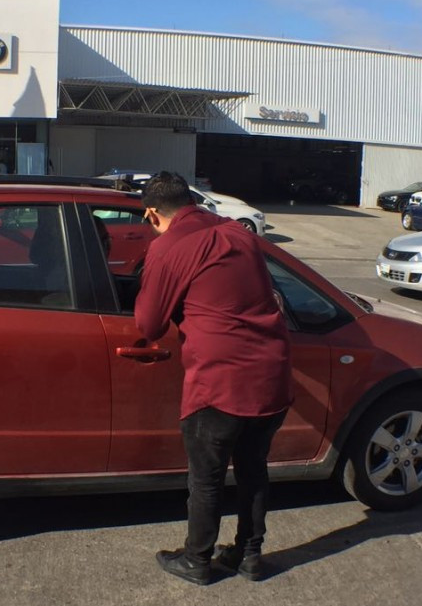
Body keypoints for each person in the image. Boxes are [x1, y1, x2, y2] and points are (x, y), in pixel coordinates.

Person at [134, 171, 293, 585]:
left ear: (152, 213)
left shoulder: (168, 248)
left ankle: (197, 560)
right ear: (191, 201)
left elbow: (148, 325)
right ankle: (250, 555)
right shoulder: (237, 234)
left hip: (220, 383)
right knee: (253, 469)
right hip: (271, 375)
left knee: (205, 478)